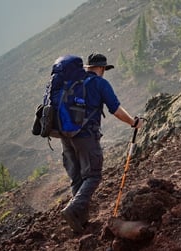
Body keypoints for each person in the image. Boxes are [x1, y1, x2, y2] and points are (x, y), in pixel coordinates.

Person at [60, 53, 144, 233]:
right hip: (86, 136)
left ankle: (80, 222)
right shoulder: (100, 83)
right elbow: (115, 109)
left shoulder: (71, 82)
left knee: (78, 178)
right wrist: (133, 122)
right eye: (104, 69)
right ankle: (73, 209)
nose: (104, 72)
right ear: (101, 68)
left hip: (65, 136)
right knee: (93, 175)